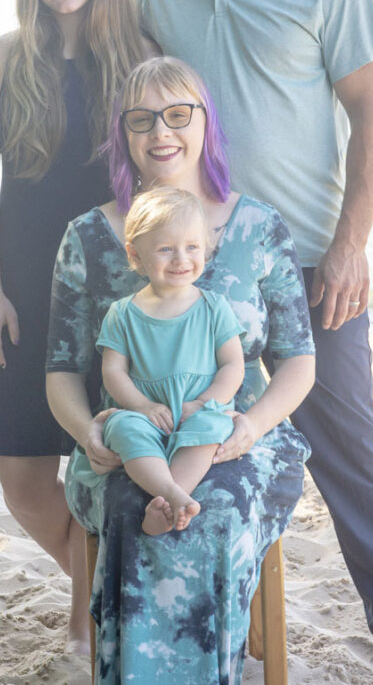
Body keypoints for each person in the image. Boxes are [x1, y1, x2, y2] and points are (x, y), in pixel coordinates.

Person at [131, 0, 373, 676]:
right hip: (192, 266)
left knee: (350, 442)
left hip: (307, 264)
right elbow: (117, 90)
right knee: (195, 436)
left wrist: (351, 246)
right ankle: (199, 620)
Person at [45, 55, 316, 683]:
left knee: (215, 509)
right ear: (123, 133)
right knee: (129, 504)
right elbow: (61, 369)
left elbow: (299, 362)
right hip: (130, 435)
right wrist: (88, 433)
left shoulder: (259, 227)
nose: (160, 131)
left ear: (206, 121)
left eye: (177, 114)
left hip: (240, 432)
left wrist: (249, 426)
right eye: (140, 119)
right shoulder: (89, 237)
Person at [0, 0, 146, 649]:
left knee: (110, 466)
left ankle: (90, 619)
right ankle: (100, 597)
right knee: (25, 482)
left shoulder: (140, 56)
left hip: (118, 291)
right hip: (23, 288)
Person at [97, 186, 245, 535]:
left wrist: (204, 402)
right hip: (148, 414)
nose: (181, 259)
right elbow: (113, 371)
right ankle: (170, 493)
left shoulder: (214, 307)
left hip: (198, 410)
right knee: (123, 428)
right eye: (165, 249)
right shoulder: (123, 313)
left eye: (192, 247)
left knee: (212, 428)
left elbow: (232, 365)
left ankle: (167, 503)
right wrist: (143, 406)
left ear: (206, 248)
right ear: (135, 254)